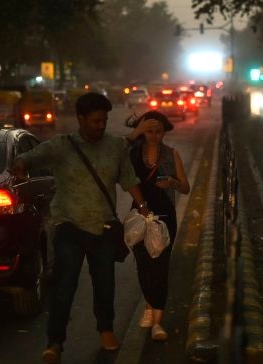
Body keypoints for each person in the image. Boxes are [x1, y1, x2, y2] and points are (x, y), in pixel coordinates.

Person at [10, 92, 149, 363]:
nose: (101, 125)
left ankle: (106, 330)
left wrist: (143, 207)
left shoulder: (115, 147)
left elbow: (128, 178)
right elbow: (32, 157)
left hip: (104, 227)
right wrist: (20, 164)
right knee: (64, 286)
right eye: (95, 120)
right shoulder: (62, 145)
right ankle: (54, 343)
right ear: (81, 118)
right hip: (69, 227)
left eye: (104, 120)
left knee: (105, 284)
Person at [124, 110, 190, 341]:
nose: (153, 135)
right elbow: (115, 166)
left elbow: (185, 187)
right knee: (144, 265)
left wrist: (173, 182)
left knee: (161, 266)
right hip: (139, 216)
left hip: (164, 216)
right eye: (148, 131)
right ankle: (151, 304)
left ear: (165, 132)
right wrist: (135, 133)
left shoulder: (172, 154)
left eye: (158, 131)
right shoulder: (132, 154)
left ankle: (157, 323)